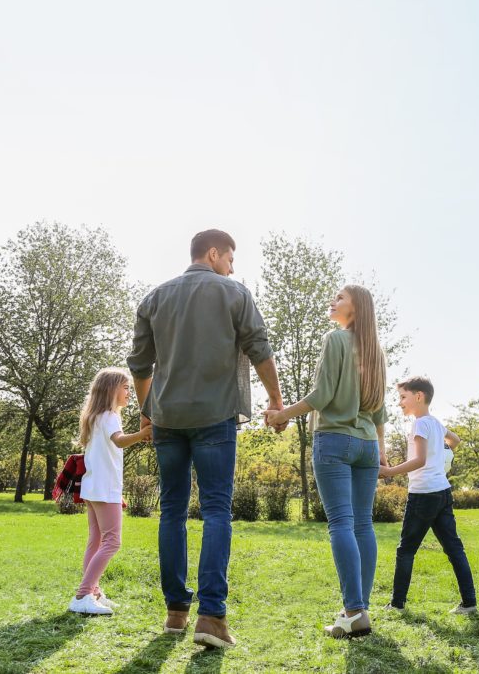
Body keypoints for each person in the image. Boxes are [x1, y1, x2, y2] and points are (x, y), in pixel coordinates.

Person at [128, 229, 286, 647]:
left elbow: (140, 366)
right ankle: (212, 617)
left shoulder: (155, 297)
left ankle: (176, 612)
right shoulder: (235, 293)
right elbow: (259, 348)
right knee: (217, 511)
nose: (233, 267)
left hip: (166, 421)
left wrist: (149, 412)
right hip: (215, 417)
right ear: (213, 254)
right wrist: (276, 399)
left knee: (172, 513)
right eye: (230, 259)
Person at [265, 285, 386, 639]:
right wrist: (380, 449)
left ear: (356, 309)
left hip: (334, 439)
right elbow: (379, 410)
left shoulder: (335, 339)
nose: (332, 301)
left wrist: (281, 414)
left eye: (340, 299)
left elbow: (321, 396)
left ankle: (353, 610)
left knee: (342, 524)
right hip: (366, 444)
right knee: (363, 524)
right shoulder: (376, 351)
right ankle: (358, 609)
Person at [379, 376, 477, 615]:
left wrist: (389, 471)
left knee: (406, 550)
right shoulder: (435, 424)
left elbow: (420, 460)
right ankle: (469, 603)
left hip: (423, 495)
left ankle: (397, 604)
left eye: (403, 397)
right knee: (454, 549)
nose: (400, 402)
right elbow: (455, 440)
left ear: (419, 396)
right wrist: (441, 454)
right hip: (442, 492)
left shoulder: (420, 424)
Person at [68, 368, 151, 616]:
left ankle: (93, 592)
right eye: (125, 388)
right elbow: (119, 440)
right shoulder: (110, 416)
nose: (129, 393)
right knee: (112, 542)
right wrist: (143, 434)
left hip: (95, 488)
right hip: (104, 490)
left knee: (95, 542)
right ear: (111, 389)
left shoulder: (95, 417)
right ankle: (83, 595)